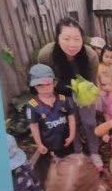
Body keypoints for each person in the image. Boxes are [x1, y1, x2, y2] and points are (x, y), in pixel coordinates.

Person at [37, 15, 101, 160]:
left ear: (82, 39)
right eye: (66, 39)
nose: (72, 44)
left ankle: (94, 152)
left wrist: (90, 99)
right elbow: (45, 81)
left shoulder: (91, 56)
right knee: (73, 123)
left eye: (77, 39)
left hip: (84, 91)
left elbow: (92, 82)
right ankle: (77, 152)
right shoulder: (46, 56)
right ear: (57, 38)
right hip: (62, 93)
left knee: (89, 122)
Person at [25, 63, 76, 182]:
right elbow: (34, 125)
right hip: (49, 146)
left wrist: (72, 135)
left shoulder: (63, 99)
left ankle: (70, 181)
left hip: (66, 142)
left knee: (69, 164)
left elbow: (71, 117)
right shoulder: (33, 105)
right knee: (53, 169)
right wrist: (39, 144)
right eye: (40, 86)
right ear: (34, 87)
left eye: (48, 84)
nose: (45, 89)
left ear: (54, 83)